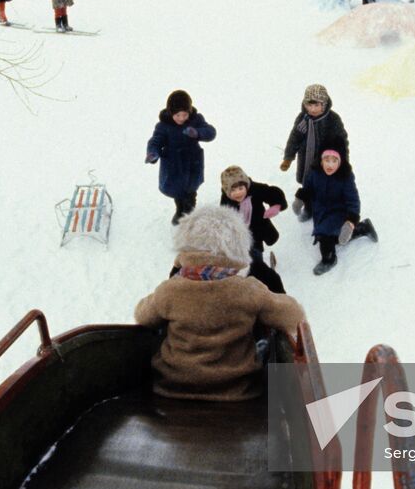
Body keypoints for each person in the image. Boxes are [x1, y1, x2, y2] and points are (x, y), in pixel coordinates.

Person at [135, 205, 305, 401]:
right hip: (236, 391)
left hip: (173, 387)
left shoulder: (170, 290)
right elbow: (293, 314)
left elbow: (142, 315)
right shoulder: (248, 290)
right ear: (238, 247)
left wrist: (178, 267)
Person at [296, 148, 377, 275]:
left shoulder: (345, 177)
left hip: (339, 212)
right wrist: (301, 198)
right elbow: (308, 188)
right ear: (321, 161)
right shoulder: (314, 173)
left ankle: (329, 259)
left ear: (340, 162)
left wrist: (350, 221)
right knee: (336, 237)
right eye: (326, 160)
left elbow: (353, 201)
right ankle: (363, 228)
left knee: (324, 236)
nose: (330, 165)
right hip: (321, 210)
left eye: (334, 161)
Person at [145, 89, 216, 225]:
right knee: (177, 192)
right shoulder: (163, 126)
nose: (181, 118)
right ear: (171, 113)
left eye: (184, 114)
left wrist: (197, 133)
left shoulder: (196, 120)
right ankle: (179, 210)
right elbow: (155, 141)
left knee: (190, 192)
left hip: (192, 163)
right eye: (177, 115)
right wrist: (153, 152)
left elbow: (211, 132)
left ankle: (189, 215)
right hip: (173, 165)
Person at [280, 84, 349, 219]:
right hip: (306, 161)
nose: (312, 109)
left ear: (323, 104)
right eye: (309, 105)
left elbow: (342, 141)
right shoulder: (303, 119)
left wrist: (343, 162)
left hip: (326, 162)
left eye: (316, 105)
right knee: (308, 184)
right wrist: (288, 157)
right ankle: (309, 209)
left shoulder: (332, 120)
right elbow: (295, 137)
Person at [217, 165, 287, 293]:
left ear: (246, 186)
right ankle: (249, 278)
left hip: (257, 231)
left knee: (256, 257)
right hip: (239, 239)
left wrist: (276, 205)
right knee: (243, 260)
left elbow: (274, 192)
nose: (238, 193)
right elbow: (223, 219)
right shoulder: (226, 202)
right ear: (227, 192)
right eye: (233, 190)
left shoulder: (255, 189)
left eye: (240, 188)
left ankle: (262, 277)